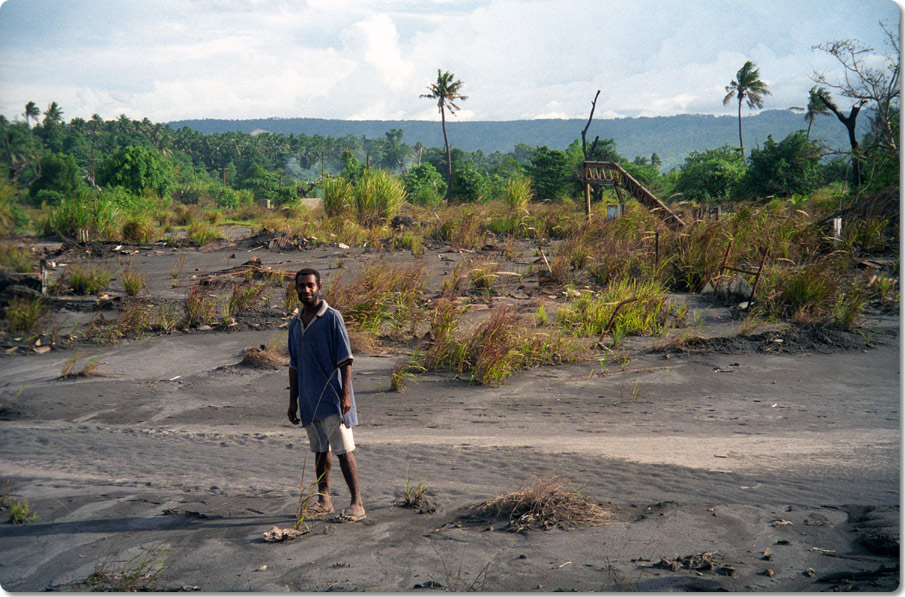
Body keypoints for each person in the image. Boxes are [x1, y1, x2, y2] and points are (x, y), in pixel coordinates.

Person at [287, 267, 366, 522]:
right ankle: (324, 500)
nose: (306, 290)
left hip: (333, 399)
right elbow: (294, 365)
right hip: (309, 401)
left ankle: (357, 503)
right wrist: (293, 401)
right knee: (321, 451)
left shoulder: (332, 318)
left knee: (344, 450)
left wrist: (346, 396)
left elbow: (346, 360)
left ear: (319, 287)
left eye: (310, 285)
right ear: (296, 289)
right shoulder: (295, 324)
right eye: (301, 286)